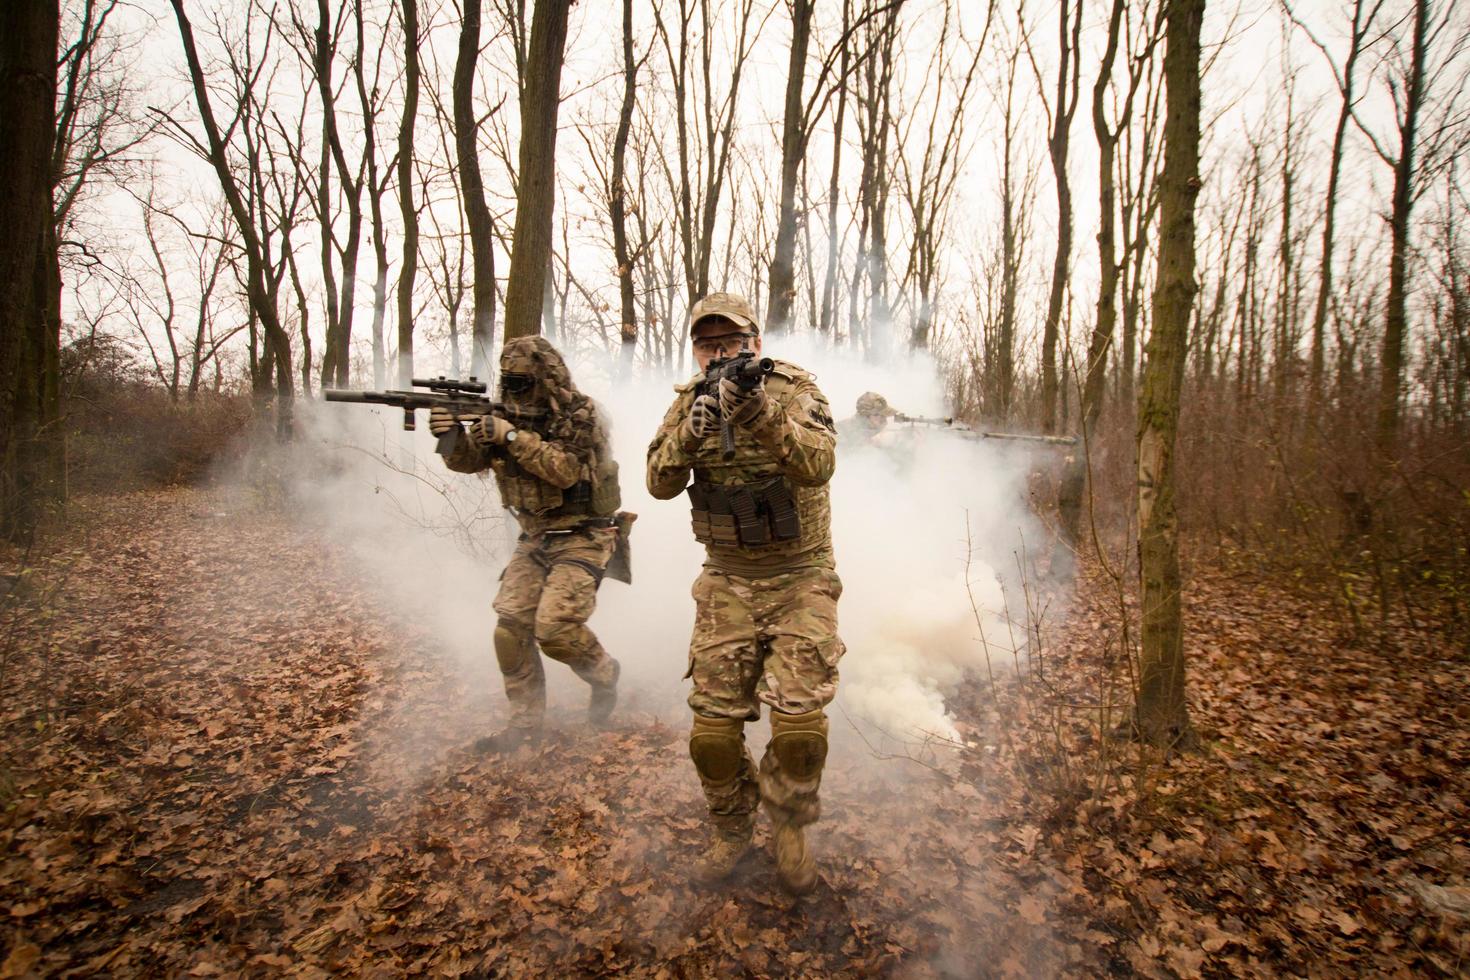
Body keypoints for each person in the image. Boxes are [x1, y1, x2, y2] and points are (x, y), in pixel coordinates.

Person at [645, 291, 843, 895]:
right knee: (711, 736)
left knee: (800, 728)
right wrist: (688, 436)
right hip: (727, 577)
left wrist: (759, 414)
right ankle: (732, 827)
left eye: (730, 340)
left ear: (755, 342)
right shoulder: (687, 403)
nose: (719, 351)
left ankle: (788, 825)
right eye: (707, 342)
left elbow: (820, 463)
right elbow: (657, 483)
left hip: (801, 574)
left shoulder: (792, 389)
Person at [428, 336, 626, 753]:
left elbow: (567, 471)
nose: (517, 390)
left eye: (525, 382)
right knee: (510, 628)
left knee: (553, 629)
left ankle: (604, 674)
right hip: (535, 537)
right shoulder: (501, 415)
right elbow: (470, 462)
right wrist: (451, 438)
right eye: (511, 383)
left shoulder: (581, 412)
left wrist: (513, 437)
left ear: (547, 377)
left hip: (586, 534)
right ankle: (524, 724)